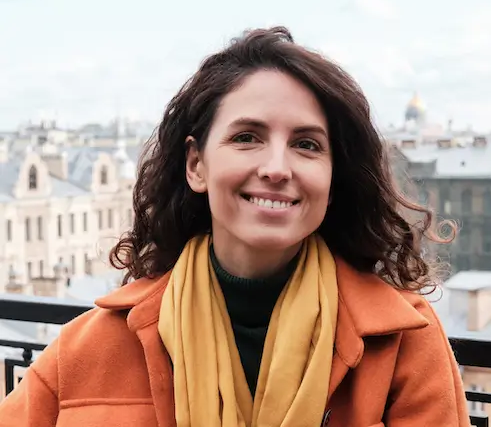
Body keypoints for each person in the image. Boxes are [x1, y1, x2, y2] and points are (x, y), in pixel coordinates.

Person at [0, 26, 470, 427]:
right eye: (247, 137)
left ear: (332, 180)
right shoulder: (88, 349)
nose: (276, 168)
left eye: (307, 145)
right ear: (196, 165)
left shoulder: (402, 342)